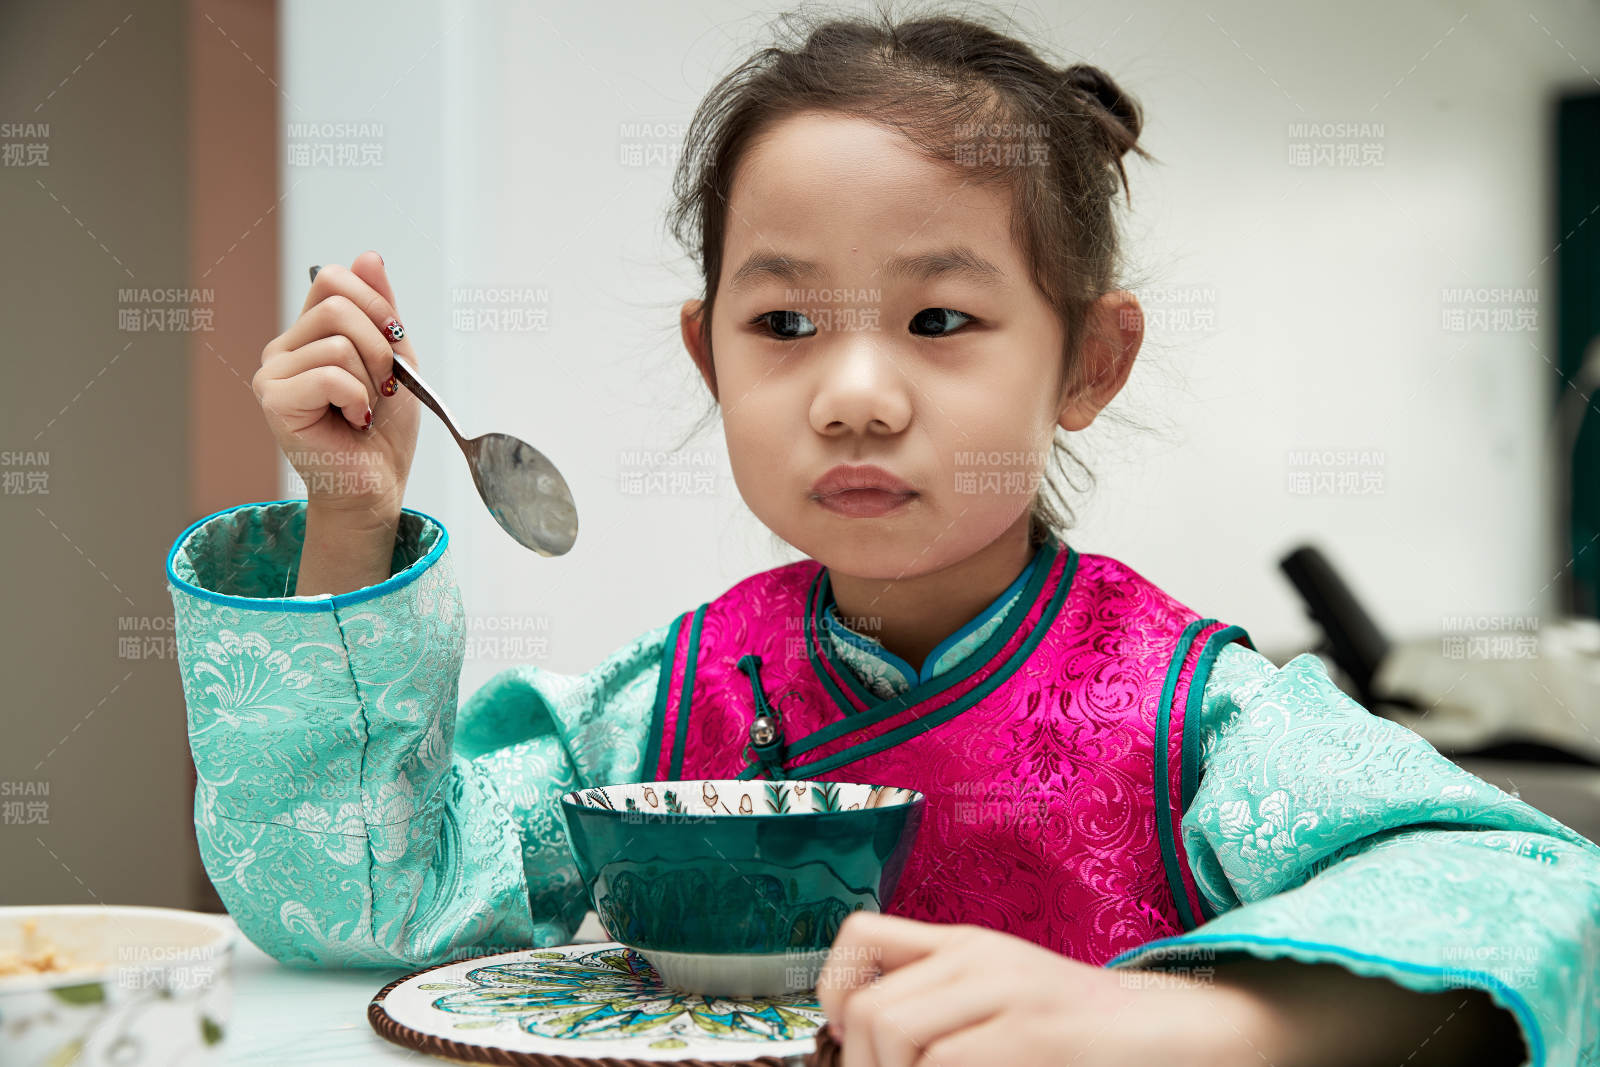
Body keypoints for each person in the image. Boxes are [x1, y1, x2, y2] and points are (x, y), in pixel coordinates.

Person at [165, 9, 1598, 1065]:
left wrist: (1168, 1024)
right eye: (783, 325)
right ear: (708, 355)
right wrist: (349, 522)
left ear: (1091, 362)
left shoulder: (1189, 718)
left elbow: (1532, 892)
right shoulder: (662, 712)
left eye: (940, 321)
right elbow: (360, 897)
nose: (853, 396)